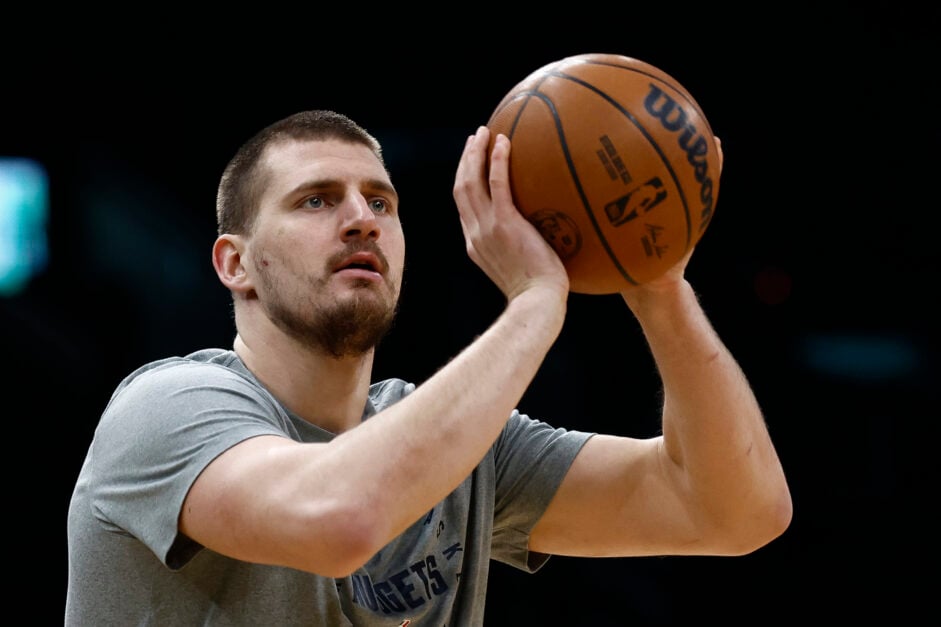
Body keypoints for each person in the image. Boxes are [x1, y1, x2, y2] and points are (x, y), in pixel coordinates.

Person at [66, 109, 792, 625]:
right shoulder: (167, 406)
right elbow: (339, 518)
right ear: (236, 263)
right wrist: (537, 302)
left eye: (380, 200)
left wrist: (658, 287)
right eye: (315, 200)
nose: (361, 218)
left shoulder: (462, 445)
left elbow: (735, 511)